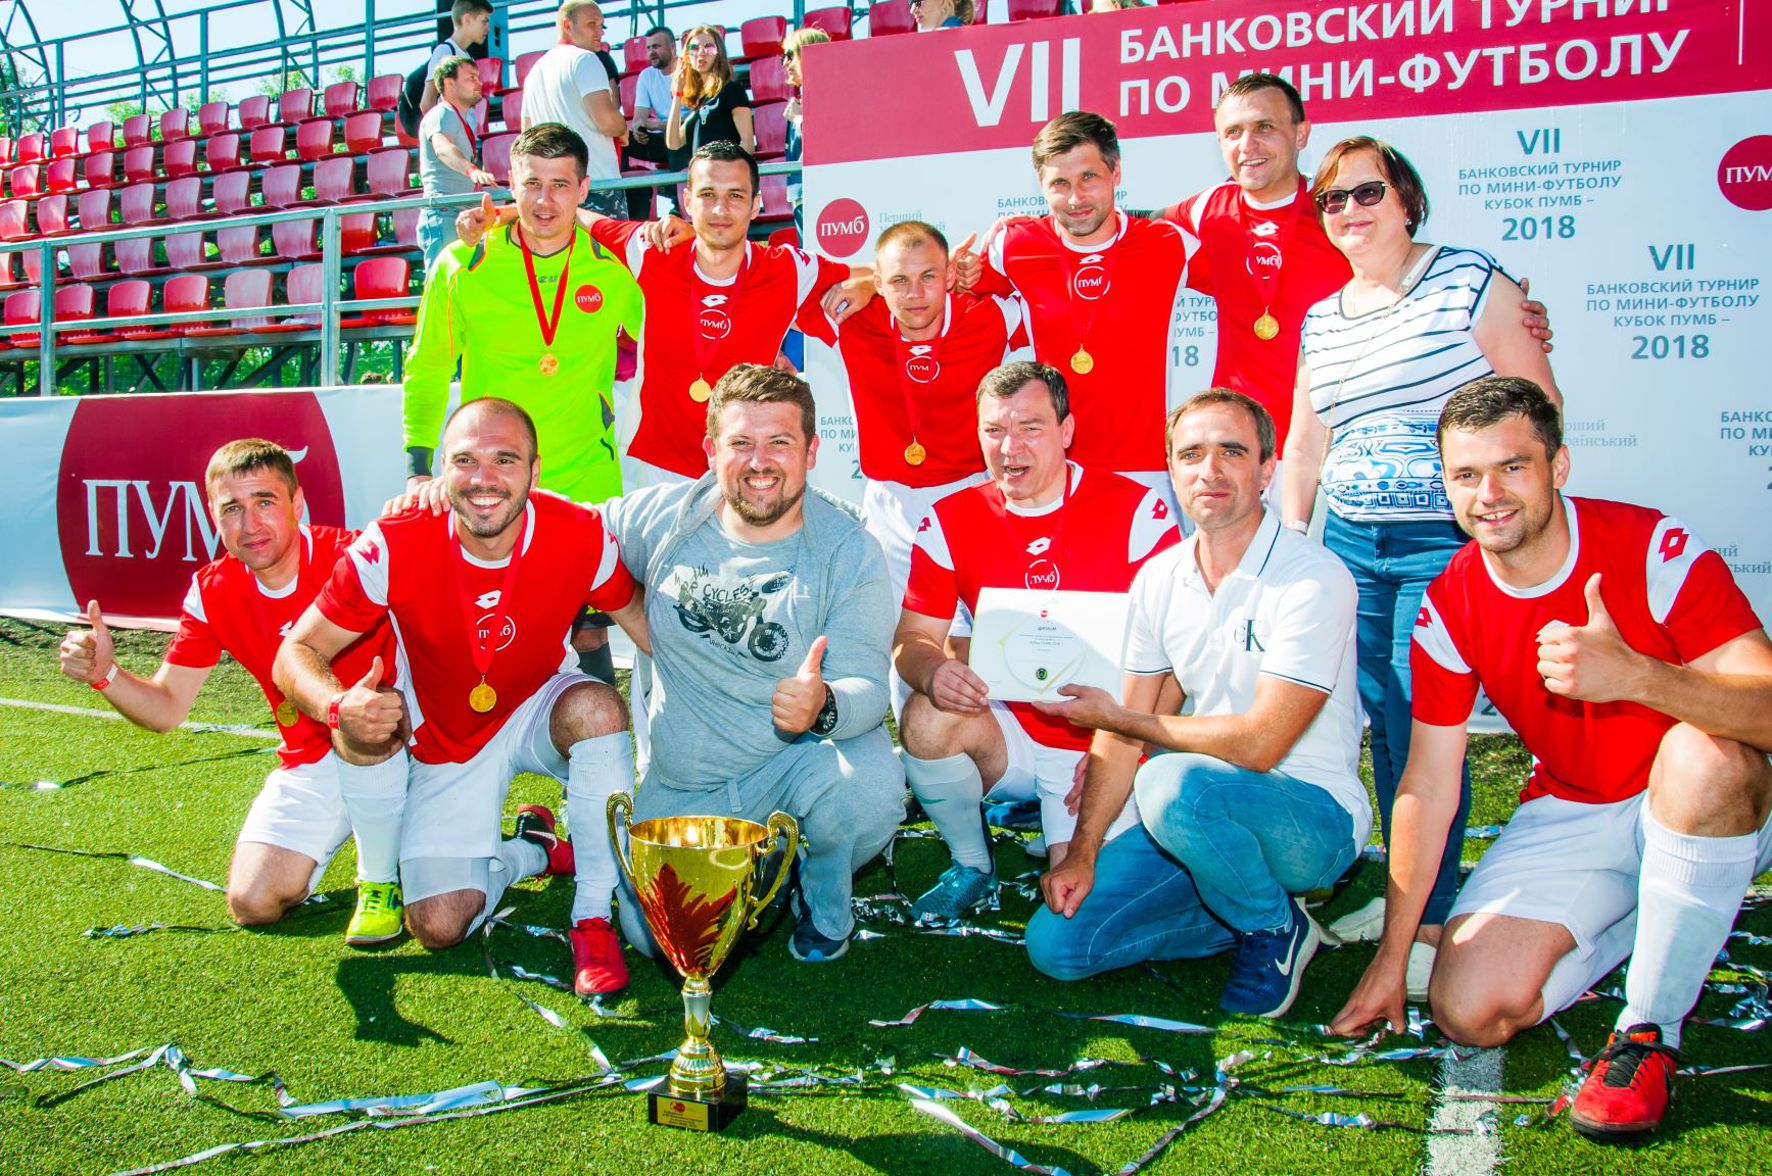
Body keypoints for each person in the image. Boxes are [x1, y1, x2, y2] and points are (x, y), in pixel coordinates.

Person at [1330, 378, 1772, 1142]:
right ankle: (1659, 911)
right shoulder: (1450, 600)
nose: (1489, 495)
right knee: (1468, 1011)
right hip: (1574, 804)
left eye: (1512, 467)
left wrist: (1640, 677)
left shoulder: (1651, 547)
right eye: (1466, 475)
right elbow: (1427, 784)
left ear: (1558, 466)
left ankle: (1648, 1030)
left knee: (1704, 758)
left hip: (1700, 797)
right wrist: (1394, 955)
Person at [1280, 136, 1563, 998]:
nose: (1350, 211)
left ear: (1406, 198)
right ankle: (1409, 888)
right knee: (1380, 720)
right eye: (1332, 200)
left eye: (1367, 193)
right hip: (1349, 544)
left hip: (1443, 543)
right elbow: (1306, 443)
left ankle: (1431, 919)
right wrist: (1291, 541)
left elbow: (1538, 408)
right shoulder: (1322, 318)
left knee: (1420, 721)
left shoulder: (1471, 279)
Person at [276, 398, 652, 997]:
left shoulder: (577, 532)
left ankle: (591, 918)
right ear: (441, 470)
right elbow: (294, 652)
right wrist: (336, 704)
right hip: (449, 741)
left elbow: (641, 621)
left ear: (534, 469)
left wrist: (730, 689)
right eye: (466, 461)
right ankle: (531, 851)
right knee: (439, 925)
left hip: (536, 706)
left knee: (599, 708)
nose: (484, 479)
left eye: (505, 460)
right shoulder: (394, 541)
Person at [1026, 390, 1369, 1020]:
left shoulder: (1313, 577)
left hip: (1313, 818)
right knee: (1060, 947)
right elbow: (1121, 735)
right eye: (1191, 455)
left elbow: (1260, 745)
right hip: (1201, 816)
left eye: (1231, 452)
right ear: (1171, 470)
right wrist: (1082, 850)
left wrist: (1121, 720)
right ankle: (1246, 909)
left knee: (1170, 782)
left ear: (1267, 470)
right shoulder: (1160, 577)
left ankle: (1271, 925)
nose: (1209, 470)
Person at [601, 364, 904, 963]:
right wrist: (625, 606)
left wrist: (824, 705)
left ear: (811, 452)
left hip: (796, 765)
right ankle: (765, 867)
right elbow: (565, 534)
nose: (759, 462)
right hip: (691, 780)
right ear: (711, 450)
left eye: (779, 442)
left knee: (867, 787)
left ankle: (820, 892)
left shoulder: (848, 549)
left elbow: (871, 687)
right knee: (657, 940)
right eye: (740, 442)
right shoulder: (664, 517)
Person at [57, 440, 407, 946]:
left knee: (442, 905)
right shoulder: (212, 590)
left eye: (265, 502)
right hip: (313, 759)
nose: (250, 524)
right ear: (212, 516)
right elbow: (166, 707)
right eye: (232, 508)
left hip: (400, 744)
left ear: (297, 503)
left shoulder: (354, 557)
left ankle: (400, 869)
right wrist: (105, 674)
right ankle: (386, 835)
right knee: (252, 901)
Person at [895, 362, 1179, 919]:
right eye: (994, 430)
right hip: (1011, 733)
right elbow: (913, 638)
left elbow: (1174, 660)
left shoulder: (1138, 512)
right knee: (927, 715)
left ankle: (1070, 837)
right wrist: (932, 670)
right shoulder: (949, 518)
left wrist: (1129, 745)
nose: (1010, 448)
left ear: (1066, 430)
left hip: (1101, 744)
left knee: (1077, 919)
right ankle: (973, 864)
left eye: (1030, 427)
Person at [1156, 74, 1553, 453]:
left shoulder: (1340, 208)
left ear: (1301, 134)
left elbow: (1411, 266)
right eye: (1233, 132)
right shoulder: (1206, 209)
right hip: (1244, 444)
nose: (1248, 144)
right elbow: (1131, 231)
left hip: (1336, 440)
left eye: (1264, 127)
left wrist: (1498, 307)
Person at [955, 112, 1197, 503]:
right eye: (1060, 184)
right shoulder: (1012, 245)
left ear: (1116, 173)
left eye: (1089, 177)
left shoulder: (1168, 244)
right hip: (1053, 469)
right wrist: (959, 272)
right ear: (1041, 185)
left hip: (1145, 471)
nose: (1075, 198)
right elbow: (952, 288)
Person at [796, 221, 1024, 624]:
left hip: (969, 496)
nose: (915, 294)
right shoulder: (851, 316)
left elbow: (1042, 290)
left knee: (976, 639)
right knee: (893, 635)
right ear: (879, 282)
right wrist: (865, 280)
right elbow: (769, 285)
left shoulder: (991, 316)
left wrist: (983, 274)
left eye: (928, 277)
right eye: (899, 280)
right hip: (890, 506)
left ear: (949, 276)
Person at [521, 0, 629, 218]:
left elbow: (527, 133)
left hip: (555, 193)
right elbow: (607, 121)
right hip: (597, 187)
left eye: (602, 25)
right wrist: (623, 128)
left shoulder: (534, 71)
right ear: (567, 25)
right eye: (592, 24)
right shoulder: (585, 59)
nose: (600, 31)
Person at [417, 56, 496, 268]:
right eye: (471, 78)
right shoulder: (442, 113)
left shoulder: (455, 117)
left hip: (455, 213)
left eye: (478, 77)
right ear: (449, 83)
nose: (479, 83)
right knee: (443, 284)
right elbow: (442, 147)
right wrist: (471, 170)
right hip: (445, 214)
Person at [664, 27, 754, 162]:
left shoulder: (732, 90)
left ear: (719, 53)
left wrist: (727, 168)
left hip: (724, 172)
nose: (701, 52)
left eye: (709, 47)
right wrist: (677, 94)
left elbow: (747, 145)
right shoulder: (699, 103)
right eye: (694, 48)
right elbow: (673, 143)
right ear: (687, 57)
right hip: (701, 173)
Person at [780, 27, 831, 236]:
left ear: (808, 53)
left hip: (822, 191)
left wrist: (798, 119)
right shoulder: (803, 98)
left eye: (790, 55)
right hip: (801, 191)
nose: (785, 63)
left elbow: (826, 140)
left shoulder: (829, 94)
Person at [625, 24, 677, 219]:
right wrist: (639, 129)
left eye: (656, 47)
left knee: (677, 139)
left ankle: (678, 204)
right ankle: (627, 206)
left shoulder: (687, 71)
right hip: (662, 139)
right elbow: (639, 118)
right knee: (622, 141)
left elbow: (692, 121)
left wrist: (653, 124)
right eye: (648, 48)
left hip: (686, 138)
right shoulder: (646, 75)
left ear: (672, 47)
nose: (651, 52)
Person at [419, 0, 493, 117]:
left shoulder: (467, 58)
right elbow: (427, 104)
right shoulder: (444, 51)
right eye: (484, 22)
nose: (488, 29)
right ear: (467, 20)